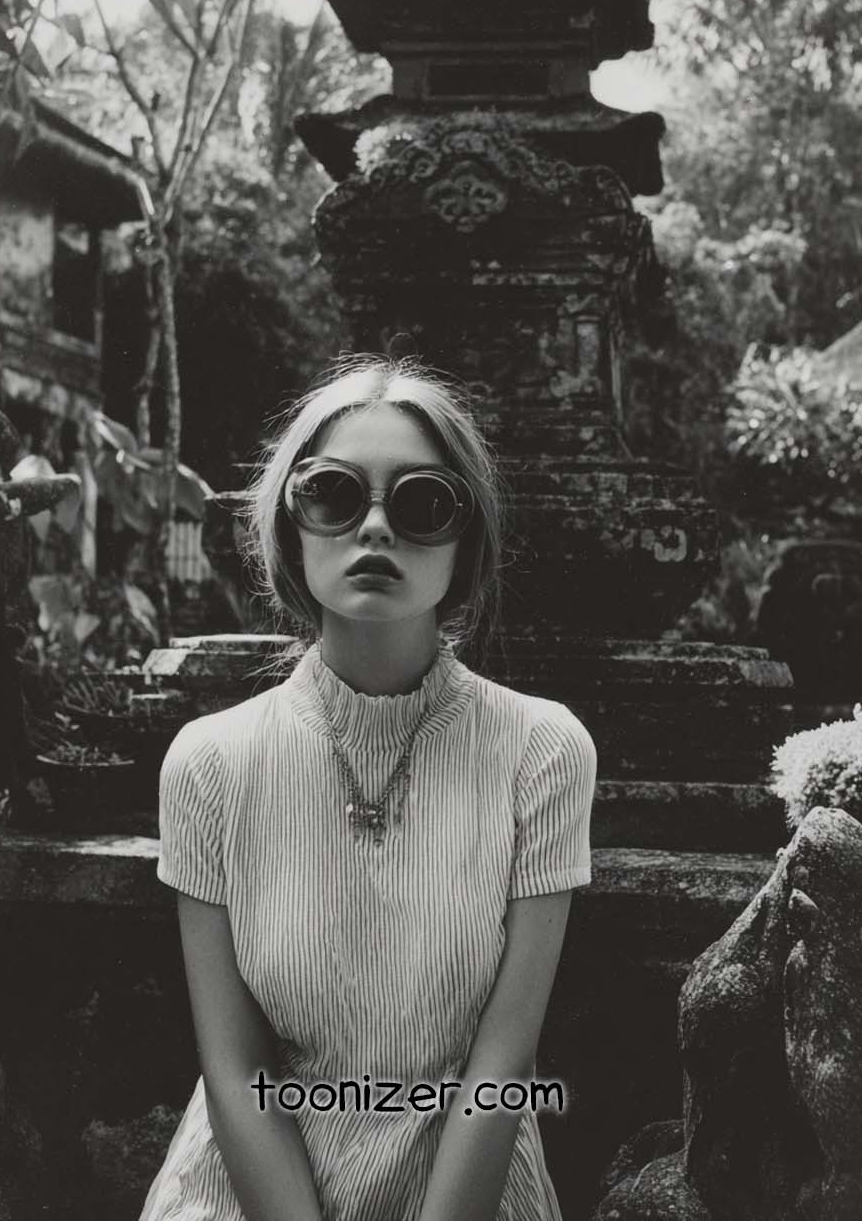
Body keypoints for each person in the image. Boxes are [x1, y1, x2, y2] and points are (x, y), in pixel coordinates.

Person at [140, 355, 596, 1221]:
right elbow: (237, 1070)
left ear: (466, 541)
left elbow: (503, 1064)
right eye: (333, 494)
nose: (377, 528)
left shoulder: (542, 752)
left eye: (424, 503)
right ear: (290, 527)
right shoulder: (209, 764)